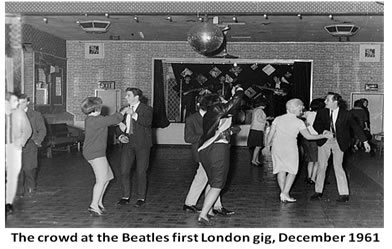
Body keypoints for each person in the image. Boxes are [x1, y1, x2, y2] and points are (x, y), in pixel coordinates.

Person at [265, 98, 332, 203]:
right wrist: (323, 136)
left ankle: (283, 193)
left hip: (277, 147)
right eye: (301, 109)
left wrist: (266, 146)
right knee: (292, 171)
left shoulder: (278, 119)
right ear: (296, 109)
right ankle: (285, 193)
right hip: (290, 148)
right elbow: (309, 137)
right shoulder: (298, 122)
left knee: (281, 170)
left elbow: (270, 135)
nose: (302, 111)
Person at [310, 92, 371, 202]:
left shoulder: (346, 114)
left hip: (339, 142)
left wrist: (365, 141)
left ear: (335, 102)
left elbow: (356, 127)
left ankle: (344, 194)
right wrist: (323, 131)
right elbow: (316, 124)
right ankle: (318, 191)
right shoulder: (321, 112)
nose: (325, 102)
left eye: (327, 100)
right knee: (322, 166)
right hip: (324, 141)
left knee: (338, 167)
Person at [197, 85, 244, 226]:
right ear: (216, 103)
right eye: (222, 99)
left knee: (212, 182)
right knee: (218, 184)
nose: (224, 100)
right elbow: (234, 102)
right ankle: (203, 214)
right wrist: (239, 91)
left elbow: (231, 108)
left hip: (206, 149)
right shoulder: (216, 109)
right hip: (217, 149)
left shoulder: (211, 113)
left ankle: (209, 210)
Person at [183, 94, 235, 216]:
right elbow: (188, 138)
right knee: (212, 180)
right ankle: (211, 206)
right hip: (202, 151)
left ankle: (193, 204)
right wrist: (209, 137)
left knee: (209, 179)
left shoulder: (215, 115)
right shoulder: (192, 119)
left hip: (213, 151)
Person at [81, 97, 127, 216]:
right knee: (101, 179)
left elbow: (109, 121)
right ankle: (93, 205)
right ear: (96, 108)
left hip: (98, 152)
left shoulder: (94, 119)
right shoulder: (94, 120)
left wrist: (119, 122)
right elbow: (112, 119)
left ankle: (99, 202)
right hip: (94, 153)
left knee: (108, 177)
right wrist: (124, 111)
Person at [116, 87, 153, 208]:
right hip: (128, 143)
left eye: (128, 95)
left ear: (136, 97)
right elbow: (118, 125)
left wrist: (135, 115)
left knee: (141, 172)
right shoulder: (123, 109)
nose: (126, 97)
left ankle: (141, 198)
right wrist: (120, 136)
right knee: (124, 170)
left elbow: (147, 122)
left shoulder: (147, 109)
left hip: (142, 144)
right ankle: (125, 196)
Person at [5, 92, 32, 215]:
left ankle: (8, 203)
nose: (17, 103)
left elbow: (28, 130)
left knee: (12, 175)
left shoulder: (19, 114)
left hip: (13, 148)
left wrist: (21, 140)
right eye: (15, 101)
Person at [17, 95, 47, 197]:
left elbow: (42, 130)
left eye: (23, 102)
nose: (20, 105)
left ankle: (31, 187)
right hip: (16, 144)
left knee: (29, 168)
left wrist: (37, 141)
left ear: (28, 102)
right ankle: (19, 191)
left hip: (30, 144)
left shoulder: (35, 115)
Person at [302, 98, 325, 185]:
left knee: (310, 160)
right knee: (317, 160)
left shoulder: (308, 113)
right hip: (316, 138)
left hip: (306, 138)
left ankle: (308, 176)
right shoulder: (320, 114)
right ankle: (313, 178)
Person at [247, 98, 268, 166]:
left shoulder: (255, 110)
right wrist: (266, 121)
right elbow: (259, 119)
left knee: (257, 146)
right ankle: (254, 160)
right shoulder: (260, 110)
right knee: (258, 146)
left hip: (254, 129)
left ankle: (256, 160)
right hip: (257, 129)